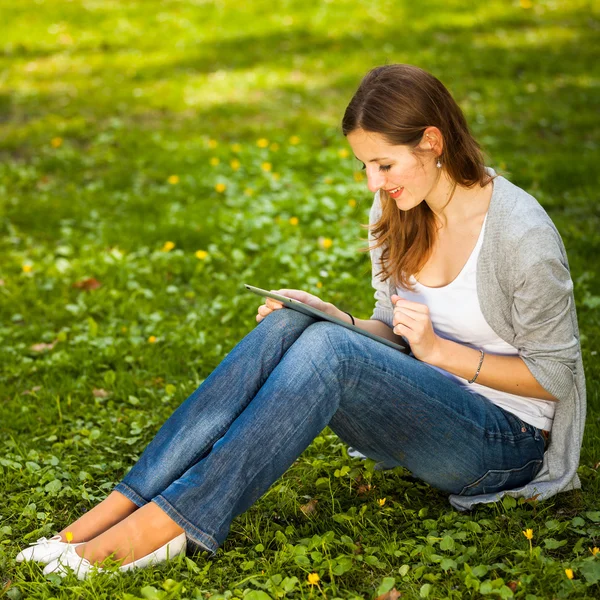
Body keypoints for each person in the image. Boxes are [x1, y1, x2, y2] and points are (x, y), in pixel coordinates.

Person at [16, 64, 586, 580]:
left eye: (384, 163)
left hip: (505, 445)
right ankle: (112, 513)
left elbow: (555, 377)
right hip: (429, 406)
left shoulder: (521, 235)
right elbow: (396, 331)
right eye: (365, 165)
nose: (373, 182)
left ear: (432, 142)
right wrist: (337, 318)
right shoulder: (398, 206)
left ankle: (158, 530)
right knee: (293, 326)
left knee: (329, 354)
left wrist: (442, 354)